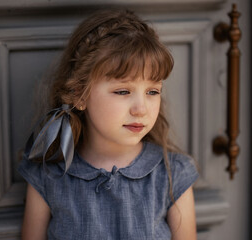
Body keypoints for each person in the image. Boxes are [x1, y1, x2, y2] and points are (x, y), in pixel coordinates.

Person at [18, 9, 199, 240]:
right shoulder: (47, 175)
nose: (141, 109)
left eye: (152, 91)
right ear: (79, 96)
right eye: (123, 91)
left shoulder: (173, 175)